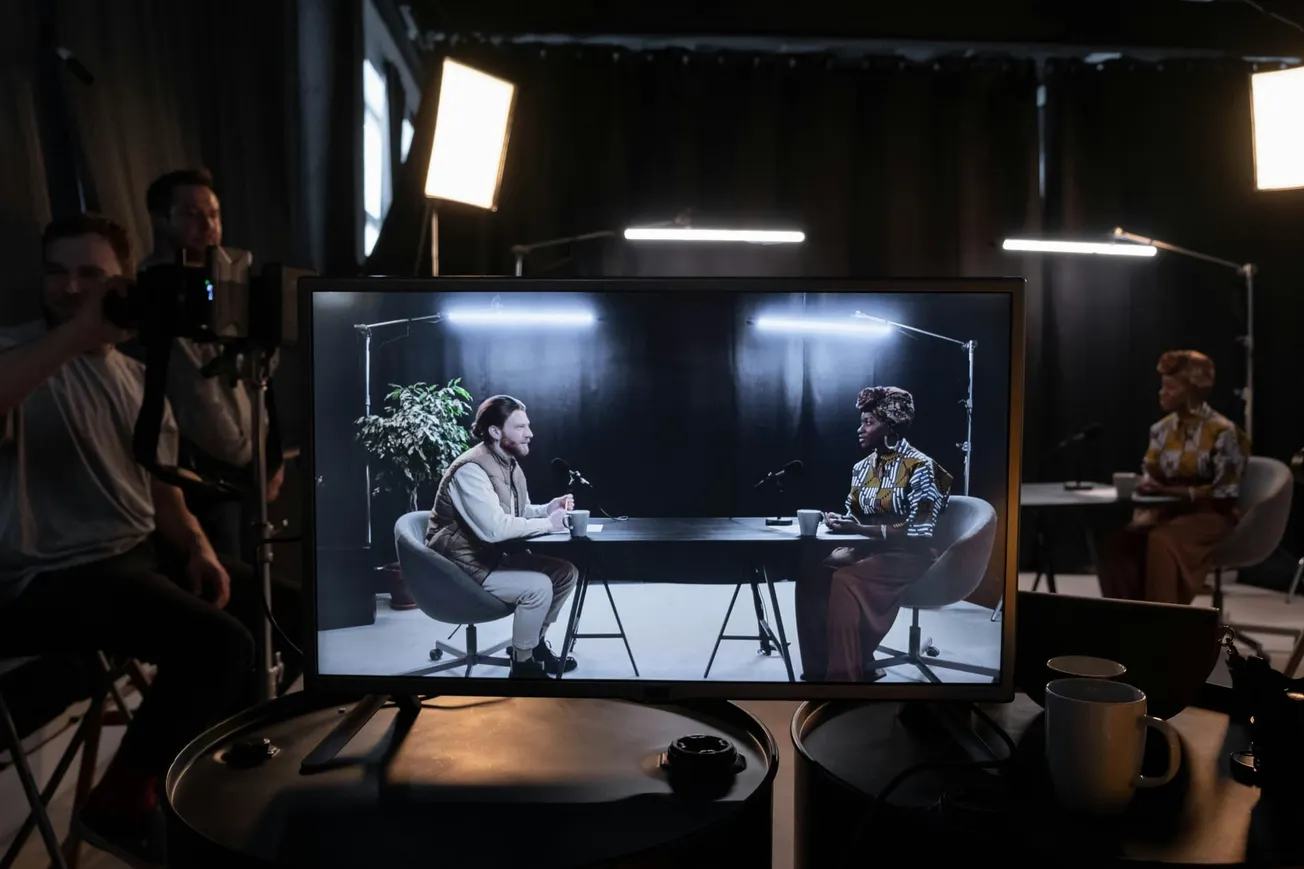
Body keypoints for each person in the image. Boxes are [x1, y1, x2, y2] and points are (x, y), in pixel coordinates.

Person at [0, 213, 297, 867]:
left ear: (124, 282)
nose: (71, 286)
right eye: (57, 272)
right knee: (218, 644)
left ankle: (235, 775)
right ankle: (120, 803)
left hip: (137, 556)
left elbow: (162, 490)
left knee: (289, 613)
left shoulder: (137, 375)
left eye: (90, 274)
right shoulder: (15, 351)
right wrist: (80, 331)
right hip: (47, 576)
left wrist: (195, 544)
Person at [138, 168, 285, 559]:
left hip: (250, 472)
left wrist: (269, 458)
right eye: (191, 214)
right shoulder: (149, 295)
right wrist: (244, 459)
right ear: (160, 218)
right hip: (196, 480)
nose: (207, 225)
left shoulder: (233, 288)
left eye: (213, 214)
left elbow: (261, 376)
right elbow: (193, 390)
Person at [795, 387, 953, 682]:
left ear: (890, 425)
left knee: (845, 579)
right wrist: (841, 522)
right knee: (811, 575)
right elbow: (853, 514)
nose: (860, 428)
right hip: (867, 551)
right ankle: (819, 671)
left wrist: (856, 529)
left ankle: (845, 679)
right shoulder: (862, 467)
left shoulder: (922, 468)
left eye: (868, 422)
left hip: (910, 556)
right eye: (862, 421)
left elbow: (919, 532)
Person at [425, 395, 579, 679]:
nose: (529, 433)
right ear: (495, 432)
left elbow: (517, 512)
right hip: (459, 568)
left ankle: (532, 646)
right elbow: (495, 529)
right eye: (520, 427)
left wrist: (548, 508)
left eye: (527, 426)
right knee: (539, 587)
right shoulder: (471, 470)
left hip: (487, 557)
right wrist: (549, 524)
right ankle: (522, 667)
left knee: (565, 573)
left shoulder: (509, 464)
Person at [1097, 350, 1248, 604]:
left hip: (1211, 515)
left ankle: (1164, 623)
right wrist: (1144, 486)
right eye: (1162, 386)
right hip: (1167, 512)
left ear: (1192, 391)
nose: (1162, 393)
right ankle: (1125, 616)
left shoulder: (1223, 432)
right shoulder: (1161, 430)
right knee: (1115, 545)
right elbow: (1152, 470)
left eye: (1170, 387)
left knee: (1162, 542)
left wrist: (1170, 493)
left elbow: (1225, 496)